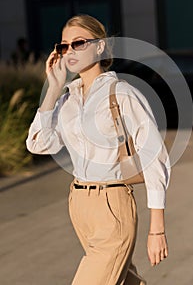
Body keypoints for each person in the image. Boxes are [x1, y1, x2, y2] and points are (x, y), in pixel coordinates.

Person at [26, 15, 171, 285]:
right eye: (63, 46)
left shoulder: (122, 93)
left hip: (112, 206)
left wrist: (157, 229)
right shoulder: (68, 99)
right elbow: (38, 143)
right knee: (122, 280)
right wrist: (53, 89)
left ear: (101, 47)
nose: (69, 51)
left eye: (78, 43)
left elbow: (155, 158)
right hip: (79, 204)